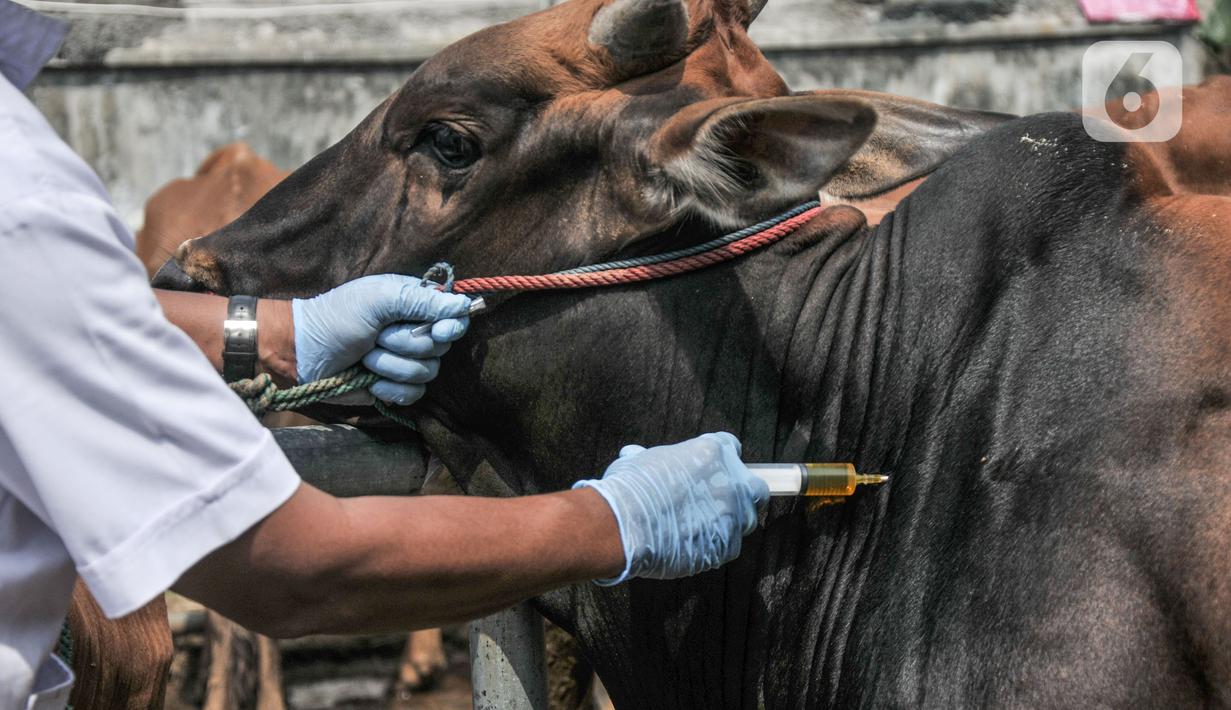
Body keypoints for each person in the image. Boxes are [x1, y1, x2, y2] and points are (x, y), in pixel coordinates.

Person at [0, 3, 770, 708]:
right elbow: (290, 568)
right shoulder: (24, 193)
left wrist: (281, 333)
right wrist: (616, 522)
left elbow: (47, 325)